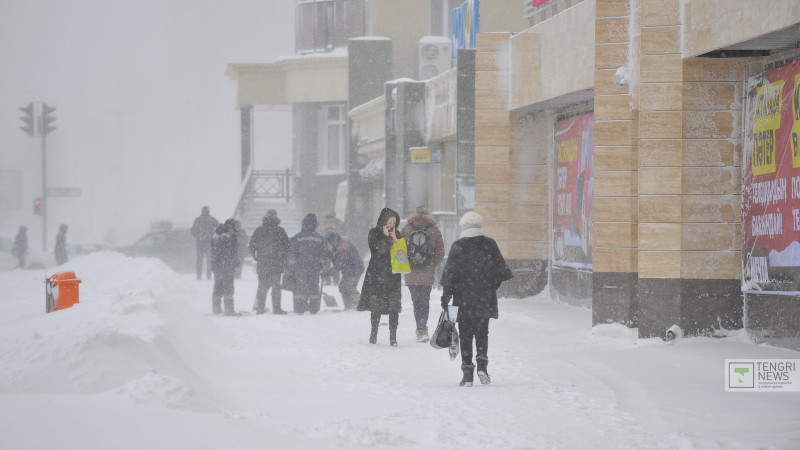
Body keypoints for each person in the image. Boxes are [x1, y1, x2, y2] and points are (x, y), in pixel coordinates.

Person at [440, 211, 513, 387]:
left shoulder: (458, 246)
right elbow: (501, 272)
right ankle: (482, 366)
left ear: (464, 228)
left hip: (463, 298)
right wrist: (490, 286)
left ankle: (467, 374)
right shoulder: (489, 244)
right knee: (482, 332)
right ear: (479, 227)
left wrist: (446, 295)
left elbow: (450, 274)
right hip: (484, 298)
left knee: (465, 334)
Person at [357, 208, 402, 346]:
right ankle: (373, 333)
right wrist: (383, 236)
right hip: (376, 274)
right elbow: (378, 252)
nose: (391, 225)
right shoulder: (374, 233)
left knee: (394, 306)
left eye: (394, 222)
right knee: (375, 305)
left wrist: (394, 237)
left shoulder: (397, 234)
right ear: (383, 222)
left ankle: (393, 337)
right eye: (389, 222)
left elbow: (402, 254)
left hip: (393, 274)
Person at [400, 205, 445, 343]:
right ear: (428, 214)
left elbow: (398, 250)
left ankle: (419, 329)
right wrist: (430, 265)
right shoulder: (434, 230)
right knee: (424, 302)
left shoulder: (406, 229)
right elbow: (440, 253)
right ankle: (422, 329)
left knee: (416, 302)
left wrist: (406, 264)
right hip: (427, 273)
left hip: (411, 273)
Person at [249, 209, 290, 314]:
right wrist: (283, 257)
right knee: (276, 287)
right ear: (276, 217)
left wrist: (257, 257)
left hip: (263, 263)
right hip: (276, 263)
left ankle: (260, 309)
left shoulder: (259, 230)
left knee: (262, 285)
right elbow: (287, 246)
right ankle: (276, 309)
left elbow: (251, 246)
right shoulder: (280, 230)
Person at [287, 213, 326, 314]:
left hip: (301, 267)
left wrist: (291, 265)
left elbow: (292, 253)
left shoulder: (297, 237)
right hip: (315, 268)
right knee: (314, 287)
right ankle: (314, 308)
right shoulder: (320, 239)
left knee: (301, 287)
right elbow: (323, 255)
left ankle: (300, 308)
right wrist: (321, 264)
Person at [325, 230, 364, 310]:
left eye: (330, 242)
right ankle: (349, 307)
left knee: (349, 287)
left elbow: (339, 265)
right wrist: (330, 255)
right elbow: (337, 260)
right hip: (349, 269)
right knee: (343, 287)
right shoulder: (338, 244)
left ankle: (362, 305)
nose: (329, 245)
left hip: (355, 269)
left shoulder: (344, 246)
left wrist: (328, 272)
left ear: (334, 240)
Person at [210, 219, 240, 315]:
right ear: (232, 225)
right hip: (227, 265)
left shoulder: (216, 235)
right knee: (228, 287)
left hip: (216, 265)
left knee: (218, 286)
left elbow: (213, 251)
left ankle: (216, 308)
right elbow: (232, 251)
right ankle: (229, 310)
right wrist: (234, 262)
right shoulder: (230, 234)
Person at [191, 206, 219, 280]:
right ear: (208, 211)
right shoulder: (212, 220)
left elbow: (192, 231)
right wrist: (213, 235)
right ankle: (208, 276)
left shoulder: (197, 220)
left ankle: (199, 276)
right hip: (209, 244)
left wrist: (198, 236)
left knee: (199, 261)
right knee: (209, 261)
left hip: (200, 244)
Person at [321, 211, 346, 286]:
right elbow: (320, 234)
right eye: (328, 218)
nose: (330, 220)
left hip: (336, 248)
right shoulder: (323, 224)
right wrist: (324, 228)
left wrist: (336, 228)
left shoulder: (338, 224)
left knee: (336, 265)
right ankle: (327, 281)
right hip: (326, 249)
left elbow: (343, 234)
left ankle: (336, 281)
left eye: (331, 218)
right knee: (326, 265)